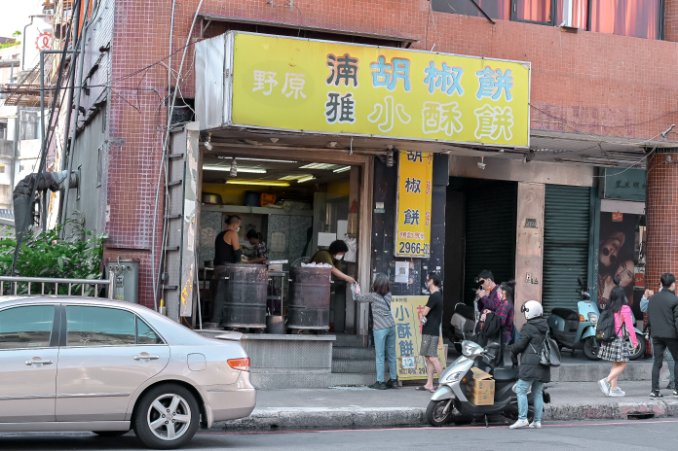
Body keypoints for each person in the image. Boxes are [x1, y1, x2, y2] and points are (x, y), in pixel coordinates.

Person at [509, 300, 550, 429]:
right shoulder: (545, 326)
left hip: (531, 364)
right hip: (543, 364)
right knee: (537, 392)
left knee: (521, 389)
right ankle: (537, 421)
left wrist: (512, 350)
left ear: (530, 313)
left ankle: (522, 418)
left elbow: (520, 345)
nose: (525, 314)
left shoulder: (529, 327)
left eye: (526, 312)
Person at [354, 274, 398, 390]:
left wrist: (357, 290)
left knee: (380, 355)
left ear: (376, 284)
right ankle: (394, 380)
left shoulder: (373, 296)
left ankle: (380, 382)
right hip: (391, 326)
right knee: (392, 354)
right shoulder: (389, 295)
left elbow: (358, 299)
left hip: (380, 328)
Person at [597, 286, 639, 397]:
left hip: (609, 339)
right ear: (622, 296)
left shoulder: (609, 307)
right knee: (623, 364)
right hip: (618, 340)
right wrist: (634, 342)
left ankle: (613, 389)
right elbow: (630, 327)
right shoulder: (625, 308)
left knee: (616, 364)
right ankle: (606, 381)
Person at [646, 273, 678, 398]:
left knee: (657, 362)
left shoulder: (653, 298)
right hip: (671, 335)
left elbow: (650, 317)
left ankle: (654, 390)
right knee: (677, 360)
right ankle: (677, 389)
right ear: (673, 284)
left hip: (656, 335)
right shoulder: (675, 300)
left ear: (661, 283)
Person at [476, 270, 514, 366]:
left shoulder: (498, 291)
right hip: (487, 330)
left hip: (496, 334)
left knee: (491, 359)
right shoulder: (489, 292)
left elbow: (495, 308)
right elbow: (483, 308)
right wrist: (481, 298)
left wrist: (483, 297)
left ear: (488, 280)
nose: (481, 285)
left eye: (482, 282)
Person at [641, 287, 675, 390]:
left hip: (666, 335)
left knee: (668, 358)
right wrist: (645, 296)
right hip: (659, 334)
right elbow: (643, 308)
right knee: (660, 359)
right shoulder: (655, 301)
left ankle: (672, 382)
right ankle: (659, 386)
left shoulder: (672, 302)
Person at [210, 215, 242, 324]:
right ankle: (220, 320)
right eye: (239, 225)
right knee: (225, 295)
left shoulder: (220, 235)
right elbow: (237, 254)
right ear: (235, 225)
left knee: (218, 295)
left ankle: (215, 319)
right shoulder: (233, 233)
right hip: (227, 269)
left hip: (218, 268)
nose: (239, 228)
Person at [418, 273, 443, 393]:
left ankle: (444, 382)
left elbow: (424, 312)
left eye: (428, 280)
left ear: (432, 281)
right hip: (432, 330)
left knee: (432, 357)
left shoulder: (435, 296)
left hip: (430, 331)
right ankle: (429, 384)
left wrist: (422, 313)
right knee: (428, 357)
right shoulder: (438, 295)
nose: (426, 282)